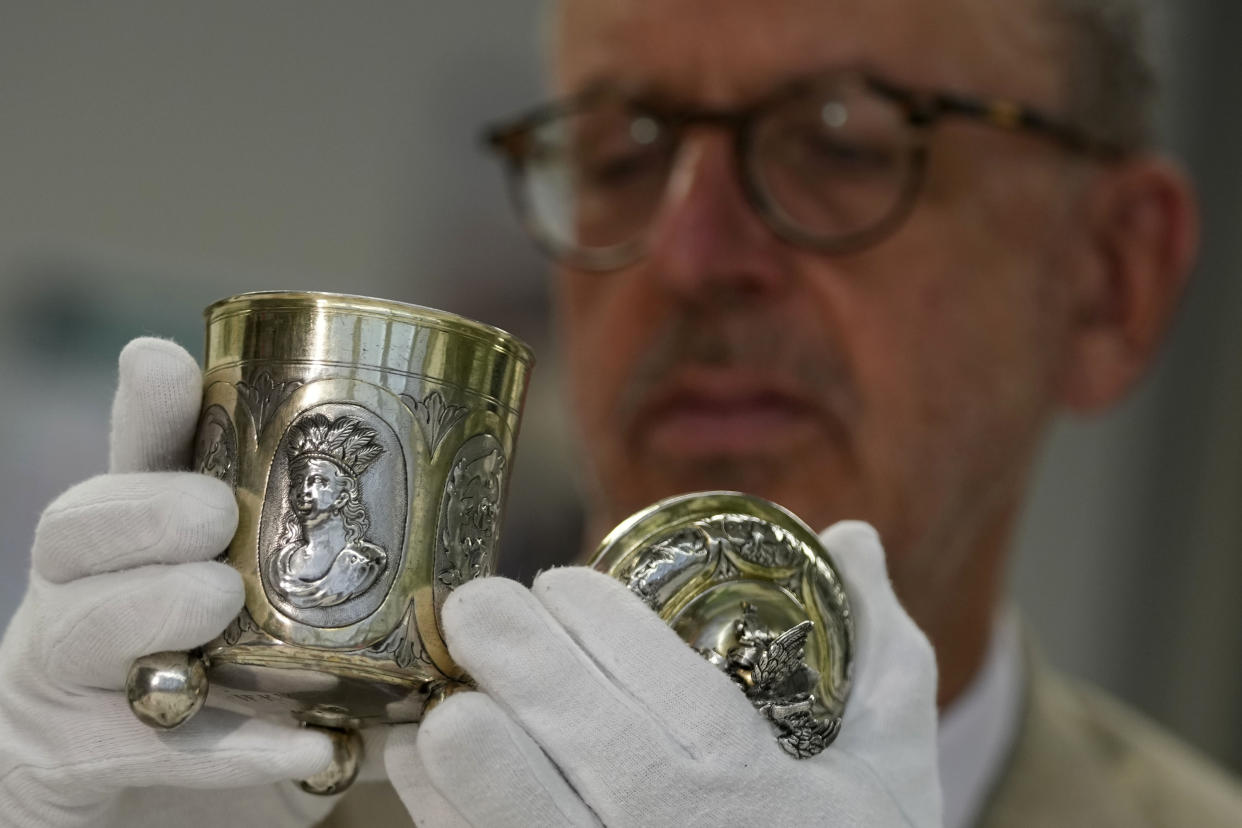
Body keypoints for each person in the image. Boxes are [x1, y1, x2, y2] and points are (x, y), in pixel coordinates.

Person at [0, 0, 1239, 826]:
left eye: (844, 141)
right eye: (619, 150)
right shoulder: (262, 801)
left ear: (1109, 282)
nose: (690, 254)